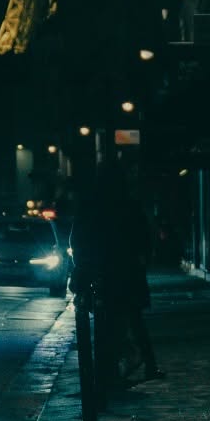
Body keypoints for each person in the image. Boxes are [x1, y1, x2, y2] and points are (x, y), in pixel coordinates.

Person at [70, 160, 160, 395]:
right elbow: (142, 238)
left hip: (105, 274)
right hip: (124, 274)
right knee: (127, 322)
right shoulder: (127, 205)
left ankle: (109, 374)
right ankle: (123, 370)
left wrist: (83, 266)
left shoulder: (91, 205)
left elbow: (79, 238)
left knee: (108, 327)